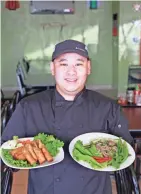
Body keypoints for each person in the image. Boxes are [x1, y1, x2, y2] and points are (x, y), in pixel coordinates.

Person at [2, 39, 133, 194]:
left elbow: (125, 150)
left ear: (88, 67)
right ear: (52, 68)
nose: (71, 72)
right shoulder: (29, 107)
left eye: (79, 64)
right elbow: (6, 151)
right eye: (63, 64)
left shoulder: (108, 107)